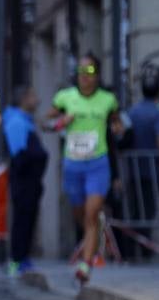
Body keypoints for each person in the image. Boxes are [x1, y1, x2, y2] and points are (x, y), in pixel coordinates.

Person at [47, 53, 123, 284]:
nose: (84, 77)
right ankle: (92, 238)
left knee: (92, 213)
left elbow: (117, 122)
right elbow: (45, 122)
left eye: (89, 72)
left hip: (98, 163)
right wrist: (60, 123)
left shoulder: (108, 99)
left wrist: (118, 127)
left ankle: (86, 264)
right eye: (80, 72)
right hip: (73, 164)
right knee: (80, 213)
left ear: (98, 75)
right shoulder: (65, 98)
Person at [121, 72, 159, 258]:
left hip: (132, 169)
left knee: (134, 210)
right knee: (147, 211)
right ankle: (145, 251)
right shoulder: (158, 113)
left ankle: (131, 251)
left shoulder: (132, 111)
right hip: (152, 170)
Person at [2, 86, 48, 275]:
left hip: (30, 181)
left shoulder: (24, 121)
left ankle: (23, 257)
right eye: (34, 95)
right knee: (22, 219)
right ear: (25, 99)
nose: (37, 99)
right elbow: (20, 154)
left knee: (28, 219)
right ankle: (17, 259)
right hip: (24, 181)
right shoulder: (16, 121)